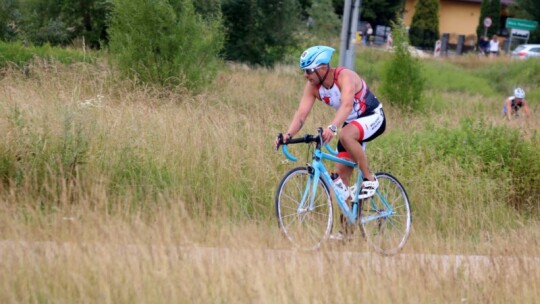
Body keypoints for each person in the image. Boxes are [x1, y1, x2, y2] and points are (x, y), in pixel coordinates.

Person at [274, 45, 386, 201]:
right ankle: (349, 222)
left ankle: (370, 179)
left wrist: (332, 127)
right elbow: (301, 114)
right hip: (352, 123)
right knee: (340, 178)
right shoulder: (313, 87)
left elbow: (347, 105)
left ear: (321, 68)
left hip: (373, 116)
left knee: (345, 135)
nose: (305, 76)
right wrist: (288, 135)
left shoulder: (344, 76)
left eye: (308, 70)